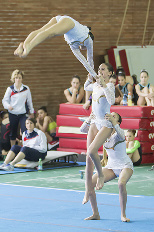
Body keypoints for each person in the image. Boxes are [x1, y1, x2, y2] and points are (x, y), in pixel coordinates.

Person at [83, 112, 133, 222]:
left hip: (125, 165)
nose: (110, 116)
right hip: (111, 167)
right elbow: (84, 130)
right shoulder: (104, 133)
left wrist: (114, 123)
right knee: (90, 183)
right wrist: (89, 120)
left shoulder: (119, 133)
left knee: (121, 183)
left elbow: (121, 133)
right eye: (110, 115)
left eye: (114, 116)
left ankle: (123, 215)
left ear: (118, 122)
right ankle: (95, 213)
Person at [14, 15, 97, 78]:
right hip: (68, 22)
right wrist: (95, 75)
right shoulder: (88, 40)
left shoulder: (74, 46)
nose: (82, 49)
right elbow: (89, 59)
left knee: (43, 31)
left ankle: (24, 44)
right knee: (49, 33)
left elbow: (82, 60)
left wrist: (91, 73)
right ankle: (27, 48)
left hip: (60, 19)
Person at [82, 63, 115, 204]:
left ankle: (101, 174)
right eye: (99, 69)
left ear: (110, 73)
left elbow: (112, 100)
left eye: (103, 69)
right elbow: (85, 87)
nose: (100, 71)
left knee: (93, 150)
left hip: (105, 123)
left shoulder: (111, 86)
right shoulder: (95, 85)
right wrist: (90, 79)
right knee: (88, 160)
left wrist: (104, 85)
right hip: (95, 121)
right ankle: (87, 191)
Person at [2, 70, 34, 147]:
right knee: (13, 132)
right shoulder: (10, 89)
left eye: (20, 78)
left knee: (25, 130)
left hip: (23, 113)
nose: (18, 79)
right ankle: (13, 149)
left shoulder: (26, 89)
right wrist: (8, 106)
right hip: (13, 114)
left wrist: (32, 112)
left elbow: (29, 101)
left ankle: (24, 148)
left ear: (22, 79)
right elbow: (4, 100)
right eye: (16, 78)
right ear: (13, 79)